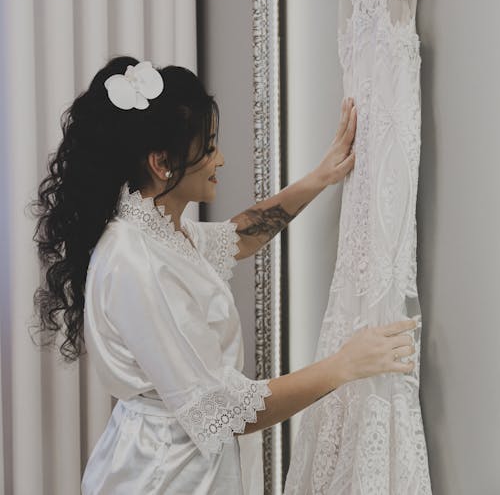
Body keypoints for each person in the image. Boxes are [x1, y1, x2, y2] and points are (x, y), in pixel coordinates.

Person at [30, 56, 416, 494]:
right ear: (162, 162)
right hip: (163, 479)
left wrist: (320, 177)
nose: (221, 159)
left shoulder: (158, 232)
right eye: (209, 147)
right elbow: (224, 410)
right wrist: (343, 365)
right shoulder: (135, 259)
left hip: (175, 464)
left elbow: (241, 236)